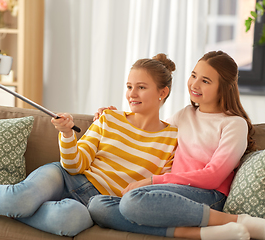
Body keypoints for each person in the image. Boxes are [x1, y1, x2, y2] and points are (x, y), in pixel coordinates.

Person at [0, 54, 178, 237]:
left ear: (162, 92)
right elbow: (75, 164)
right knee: (20, 198)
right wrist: (68, 135)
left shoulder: (172, 139)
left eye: (141, 87)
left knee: (69, 222)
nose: (132, 94)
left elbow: (160, 186)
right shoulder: (109, 118)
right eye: (129, 86)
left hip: (95, 204)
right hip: (67, 177)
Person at [88, 50, 263, 240]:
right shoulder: (185, 114)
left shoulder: (234, 124)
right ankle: (203, 233)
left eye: (205, 81)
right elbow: (151, 130)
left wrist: (153, 180)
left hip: (208, 196)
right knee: (98, 206)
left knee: (132, 201)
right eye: (194, 75)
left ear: (224, 88)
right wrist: (114, 117)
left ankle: (236, 221)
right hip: (171, 192)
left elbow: (213, 177)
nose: (194, 85)